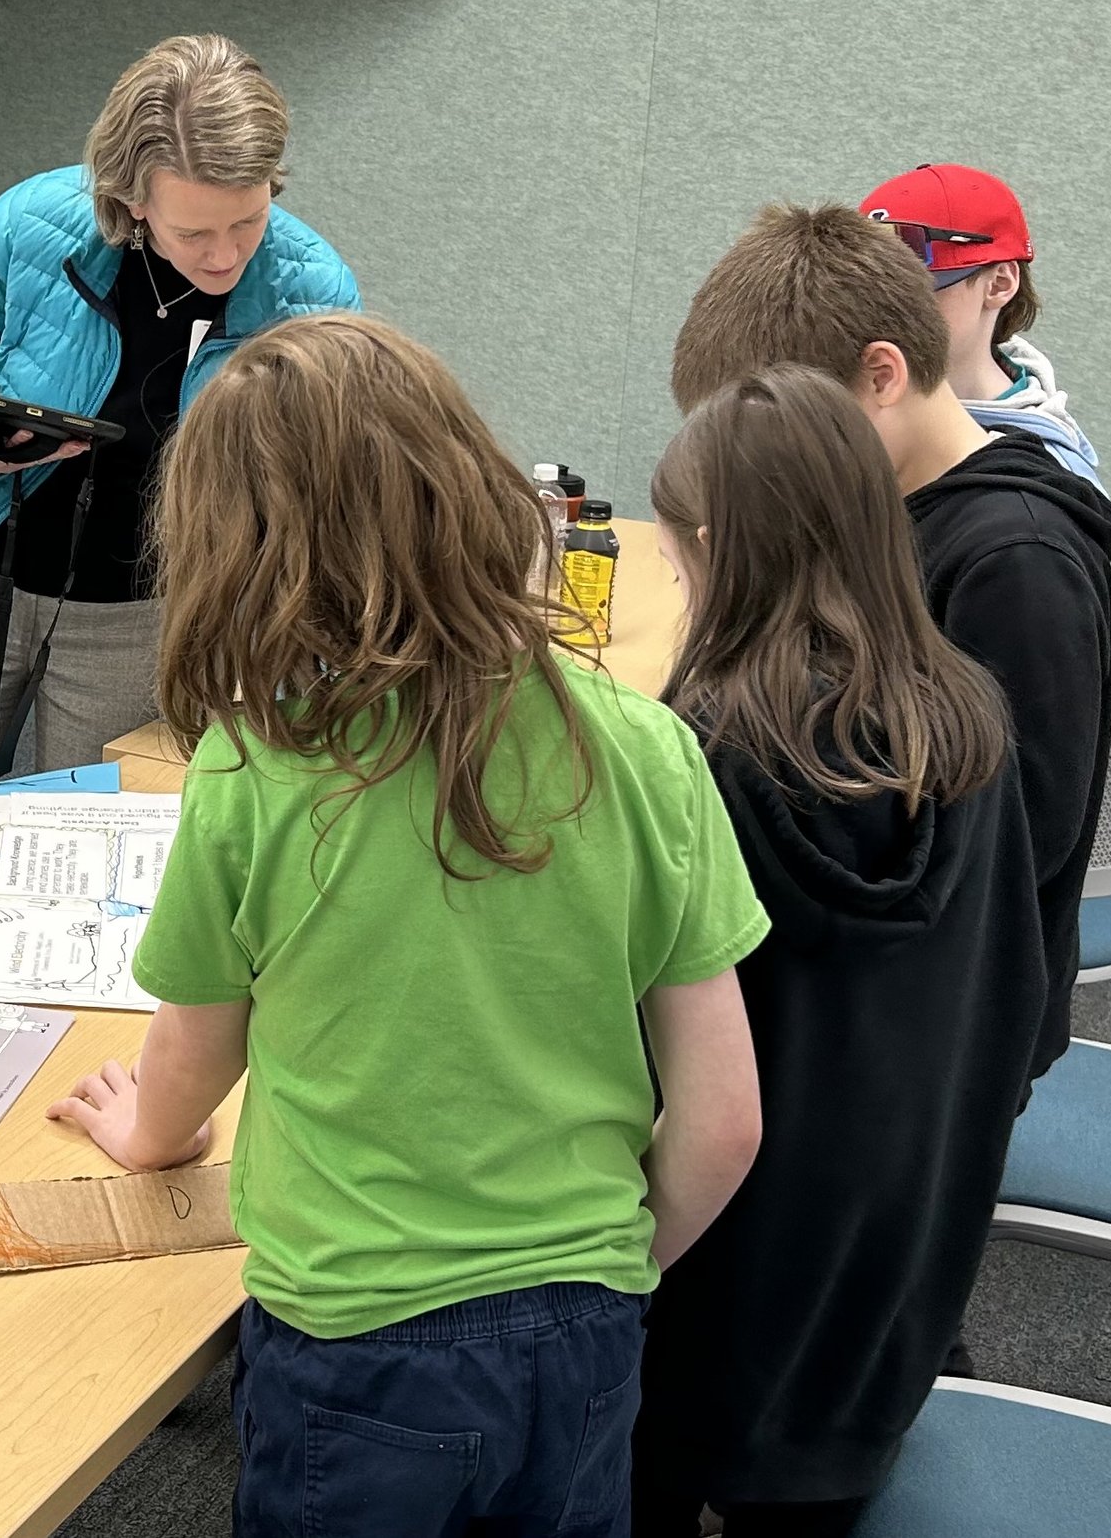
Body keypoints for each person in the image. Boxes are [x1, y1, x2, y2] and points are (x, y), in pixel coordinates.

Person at [44, 315, 767, 1538]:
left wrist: (147, 1133)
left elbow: (192, 1057)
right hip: (584, 1327)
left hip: (354, 1341)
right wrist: (610, 1270)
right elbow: (725, 1120)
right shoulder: (646, 746)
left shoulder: (252, 770)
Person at [628, 369, 1045, 1538]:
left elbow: (641, 1046)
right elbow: (1008, 988)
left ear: (716, 552)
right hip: (890, 1266)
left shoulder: (699, 756)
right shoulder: (970, 724)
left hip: (702, 1277)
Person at [0, 34, 360, 889]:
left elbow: (324, 487)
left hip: (139, 615)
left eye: (248, 220)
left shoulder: (309, 292)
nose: (224, 255)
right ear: (132, 198)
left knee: (84, 885)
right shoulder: (31, 225)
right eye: (193, 230)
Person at [670, 204, 1111, 1082]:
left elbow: (1017, 844)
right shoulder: (886, 507)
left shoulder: (1020, 565)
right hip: (877, 974)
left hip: (937, 1028)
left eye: (783, 435)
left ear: (881, 374)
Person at [858, 162, 1101, 485]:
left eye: (915, 294)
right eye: (864, 296)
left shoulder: (1045, 477)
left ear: (999, 284)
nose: (883, 313)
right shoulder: (841, 403)